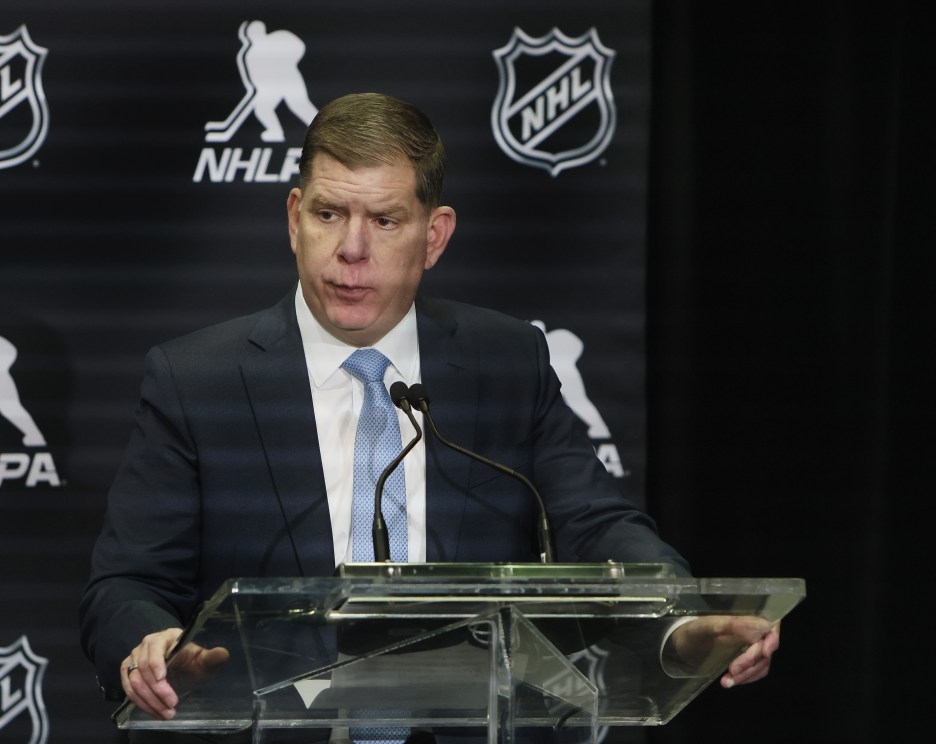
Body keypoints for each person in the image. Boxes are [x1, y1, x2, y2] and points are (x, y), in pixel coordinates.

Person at [80, 92, 779, 727]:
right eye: (329, 214)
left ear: (434, 236)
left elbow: (595, 524)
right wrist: (152, 643)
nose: (351, 249)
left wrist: (685, 613)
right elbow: (126, 585)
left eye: (385, 220)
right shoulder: (197, 378)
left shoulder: (504, 362)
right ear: (295, 218)